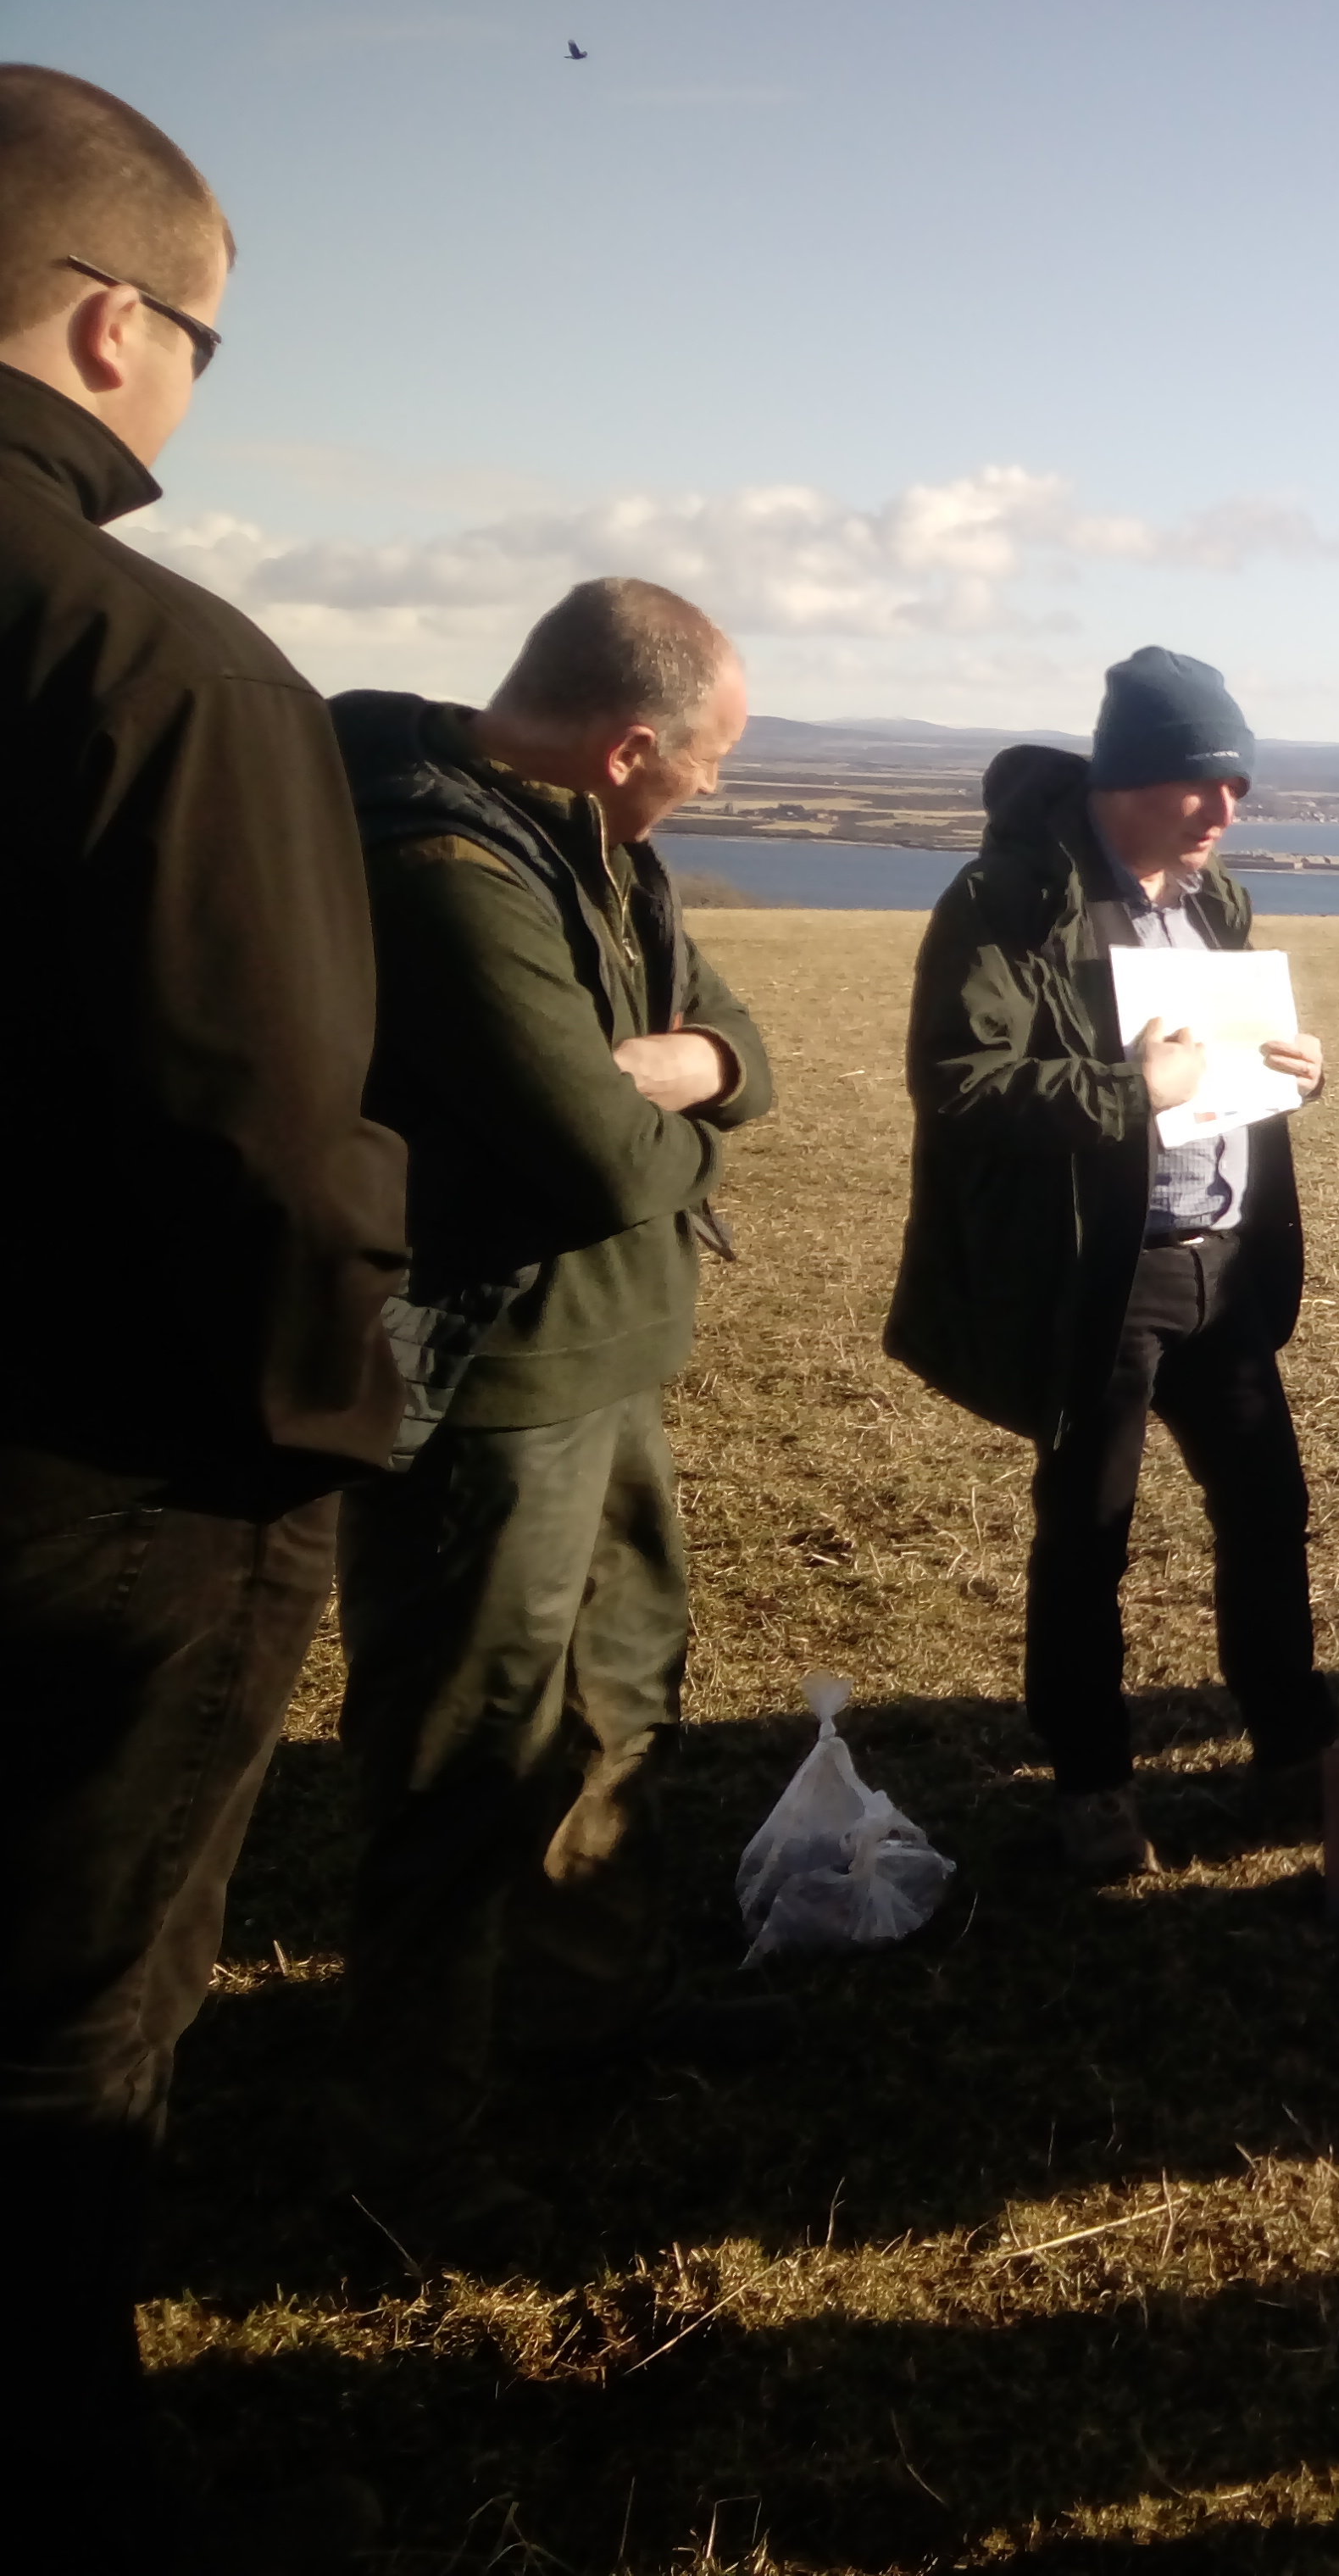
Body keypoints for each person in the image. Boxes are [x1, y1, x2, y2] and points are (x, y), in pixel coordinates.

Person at [0, 65, 409, 2566]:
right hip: (103, 1489)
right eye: (209, 350)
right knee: (65, 2031)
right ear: (109, 321)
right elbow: (264, 1126)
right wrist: (324, 1427)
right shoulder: (158, 673)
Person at [327, 581, 779, 2256]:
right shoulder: (440, 869)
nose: (715, 796)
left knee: (618, 1699)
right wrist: (661, 1102)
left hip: (613, 1355)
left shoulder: (605, 847)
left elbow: (747, 1054)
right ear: (628, 744)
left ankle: (587, 2006)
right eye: (712, 766)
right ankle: (414, 2150)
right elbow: (595, 1159)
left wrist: (693, 1071)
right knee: (460, 1758)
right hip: (491, 1389)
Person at [887, 648, 1336, 1878]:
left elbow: (1222, 1071)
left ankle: (1293, 1750)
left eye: (1239, 787)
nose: (1227, 813)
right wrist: (1125, 1092)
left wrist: (1294, 1071)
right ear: (1134, 776)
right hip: (1101, 1278)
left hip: (1225, 1270)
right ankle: (1090, 1782)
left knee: (1268, 1511)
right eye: (1206, 786)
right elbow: (960, 1083)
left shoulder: (1217, 904)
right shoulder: (1010, 901)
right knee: (1090, 1533)